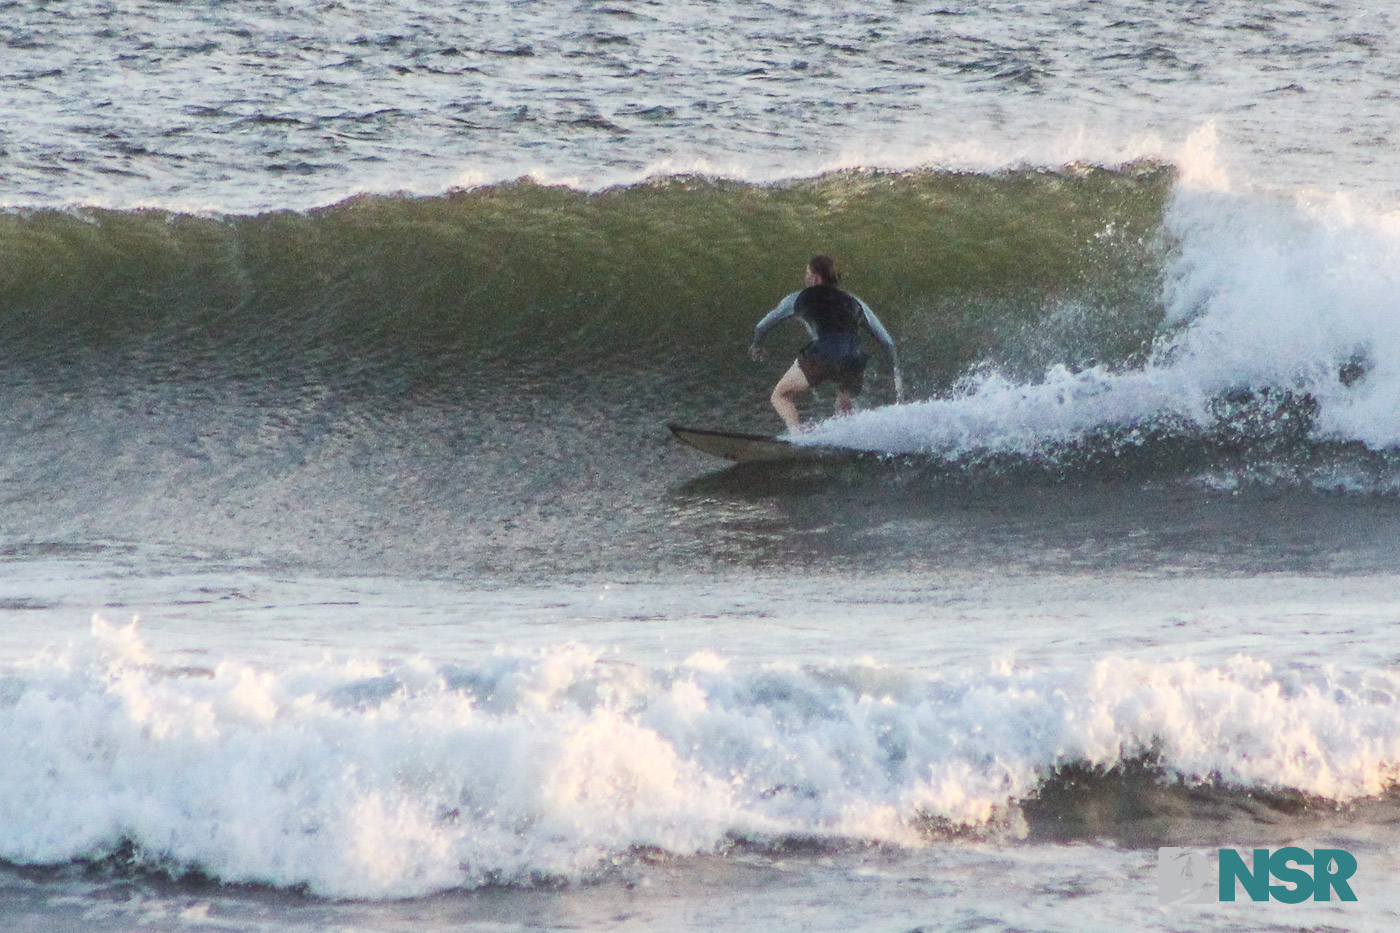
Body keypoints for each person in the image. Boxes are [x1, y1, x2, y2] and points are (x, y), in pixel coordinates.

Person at [748, 255, 904, 432]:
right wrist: (896, 373)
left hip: (823, 353)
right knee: (844, 410)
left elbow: (762, 326)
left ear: (816, 277)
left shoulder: (797, 298)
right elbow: (887, 342)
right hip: (854, 358)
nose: (805, 278)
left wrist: (757, 346)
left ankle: (799, 439)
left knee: (781, 396)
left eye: (807, 273)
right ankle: (845, 444)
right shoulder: (855, 302)